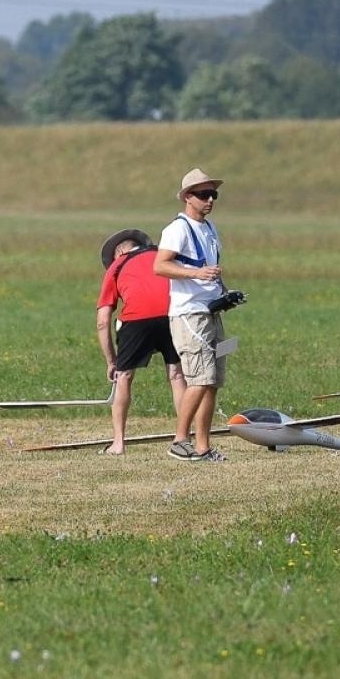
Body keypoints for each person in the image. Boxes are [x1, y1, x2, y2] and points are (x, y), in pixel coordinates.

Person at [155, 168, 232, 462]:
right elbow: (160, 266)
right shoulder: (177, 229)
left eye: (213, 194)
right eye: (203, 194)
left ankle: (203, 446)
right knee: (200, 377)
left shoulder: (210, 229)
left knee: (212, 381)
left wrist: (225, 294)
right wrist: (197, 273)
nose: (210, 199)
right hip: (189, 314)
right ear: (187, 197)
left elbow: (210, 270)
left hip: (210, 311)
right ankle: (179, 440)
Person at [95, 227, 185, 454]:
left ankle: (118, 443)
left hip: (136, 320)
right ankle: (183, 437)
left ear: (119, 252)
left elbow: (103, 321)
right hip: (172, 314)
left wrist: (111, 362)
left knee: (124, 377)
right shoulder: (162, 256)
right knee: (176, 374)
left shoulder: (117, 266)